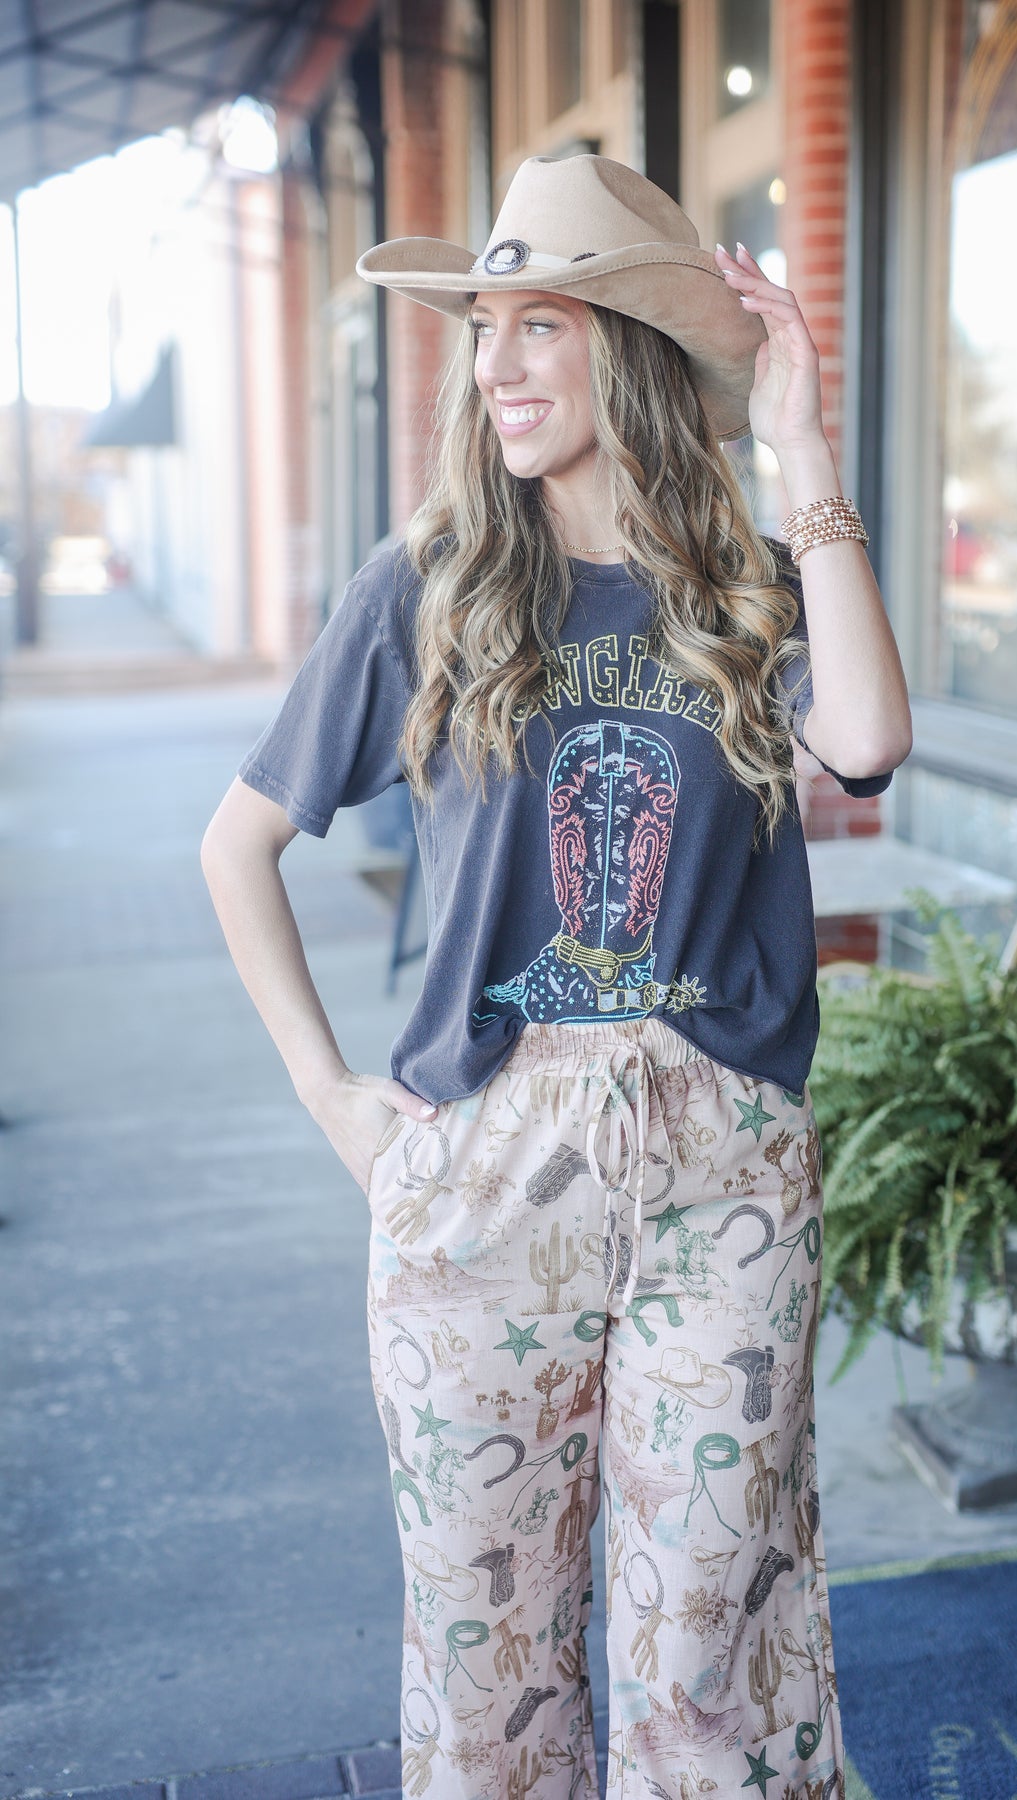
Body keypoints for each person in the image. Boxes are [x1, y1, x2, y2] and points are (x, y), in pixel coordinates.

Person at [201, 153, 911, 1800]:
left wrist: (801, 446)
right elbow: (236, 848)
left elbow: (867, 738)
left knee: (713, 1658)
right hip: (482, 1166)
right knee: (487, 1669)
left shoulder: (744, 582)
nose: (499, 362)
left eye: (544, 322)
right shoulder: (431, 588)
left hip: (720, 1166)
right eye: (482, 326)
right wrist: (337, 1105)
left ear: (633, 351)